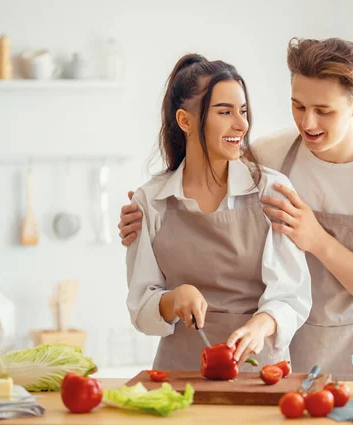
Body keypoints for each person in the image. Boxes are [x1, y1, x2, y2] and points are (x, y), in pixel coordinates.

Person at [120, 39, 353, 380]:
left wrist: (317, 239)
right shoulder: (269, 155)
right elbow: (206, 179)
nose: (308, 122)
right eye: (298, 106)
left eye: (324, 110)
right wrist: (146, 207)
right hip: (275, 360)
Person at [125, 53, 312, 371]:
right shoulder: (151, 201)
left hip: (259, 368)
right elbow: (141, 306)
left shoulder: (271, 191)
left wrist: (261, 325)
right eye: (225, 112)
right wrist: (174, 298)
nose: (241, 125)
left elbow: (292, 296)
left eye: (243, 111)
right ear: (185, 121)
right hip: (178, 372)